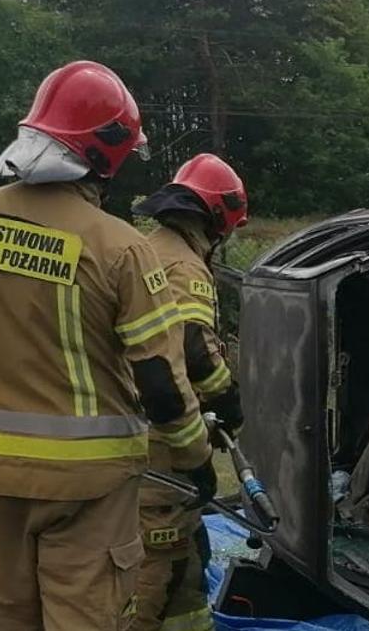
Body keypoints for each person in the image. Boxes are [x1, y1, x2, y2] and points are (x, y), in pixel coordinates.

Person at [0, 60, 216, 629]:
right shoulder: (122, 247)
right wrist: (195, 460)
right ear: (109, 154)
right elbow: (161, 383)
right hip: (91, 489)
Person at [130, 153, 251, 631]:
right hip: (159, 443)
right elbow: (193, 349)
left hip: (133, 432)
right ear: (218, 218)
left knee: (186, 558)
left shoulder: (148, 248)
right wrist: (227, 401)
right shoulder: (184, 266)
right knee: (161, 558)